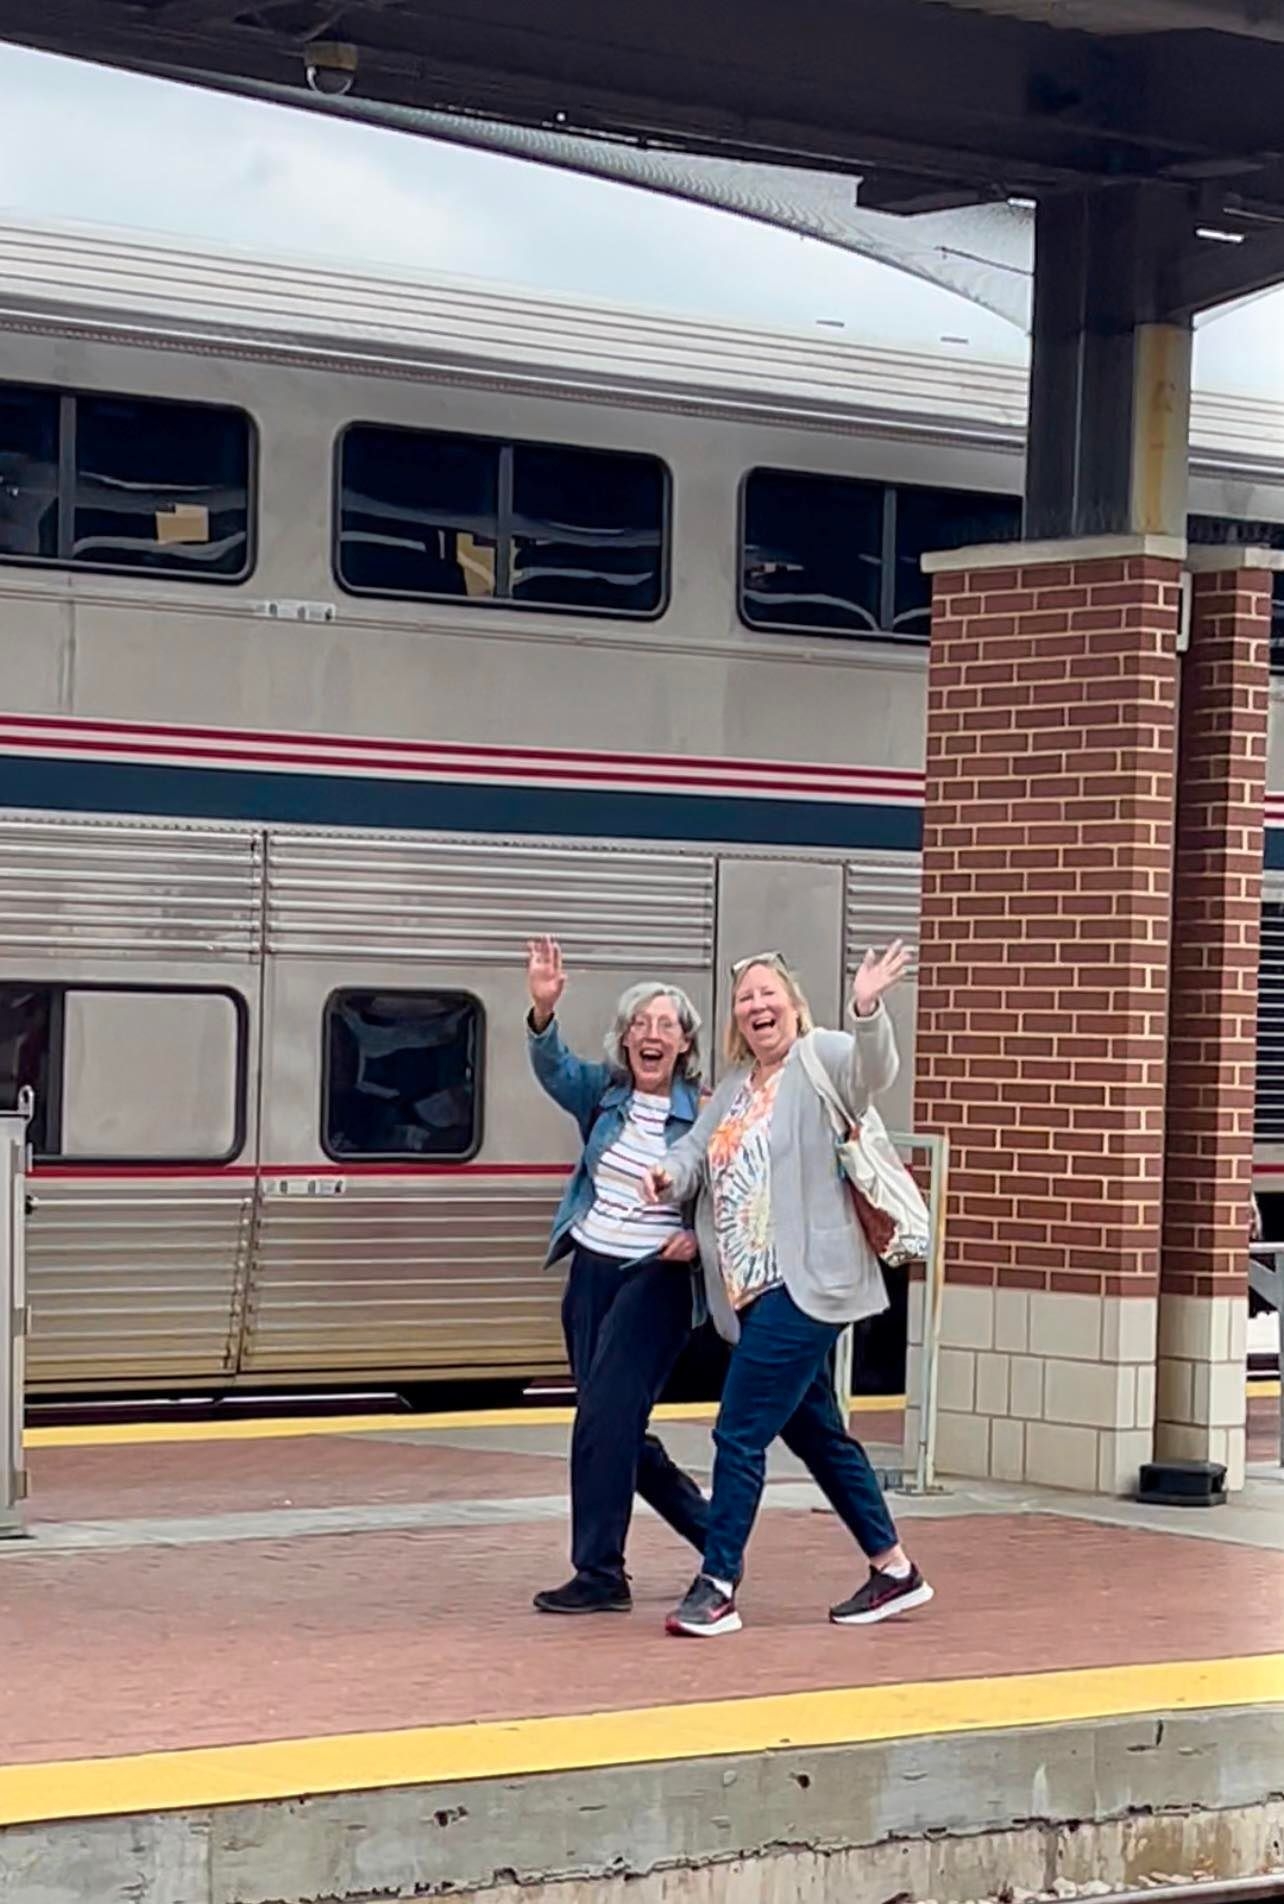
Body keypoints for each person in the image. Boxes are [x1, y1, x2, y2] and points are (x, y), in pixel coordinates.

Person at [644, 946, 932, 1637]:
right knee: (818, 1435)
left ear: (793, 1005)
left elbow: (873, 1072)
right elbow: (697, 1151)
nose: (756, 1006)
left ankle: (717, 1585)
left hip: (805, 1285)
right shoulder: (736, 1087)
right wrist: (669, 1175)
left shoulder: (821, 1055)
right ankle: (894, 1570)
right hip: (749, 1289)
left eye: (767, 993)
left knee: (738, 1430)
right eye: (745, 999)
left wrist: (867, 1007)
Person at [525, 935, 710, 1614]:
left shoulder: (705, 1113)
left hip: (655, 1279)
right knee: (612, 1423)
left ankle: (600, 1573)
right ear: (626, 1039)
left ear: (684, 1043)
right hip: (590, 1271)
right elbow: (553, 1068)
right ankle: (716, 1533)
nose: (651, 1035)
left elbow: (737, 1197)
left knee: (604, 1420)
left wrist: (698, 1238)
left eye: (665, 1025)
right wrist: (543, 1011)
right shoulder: (605, 1096)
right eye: (640, 1024)